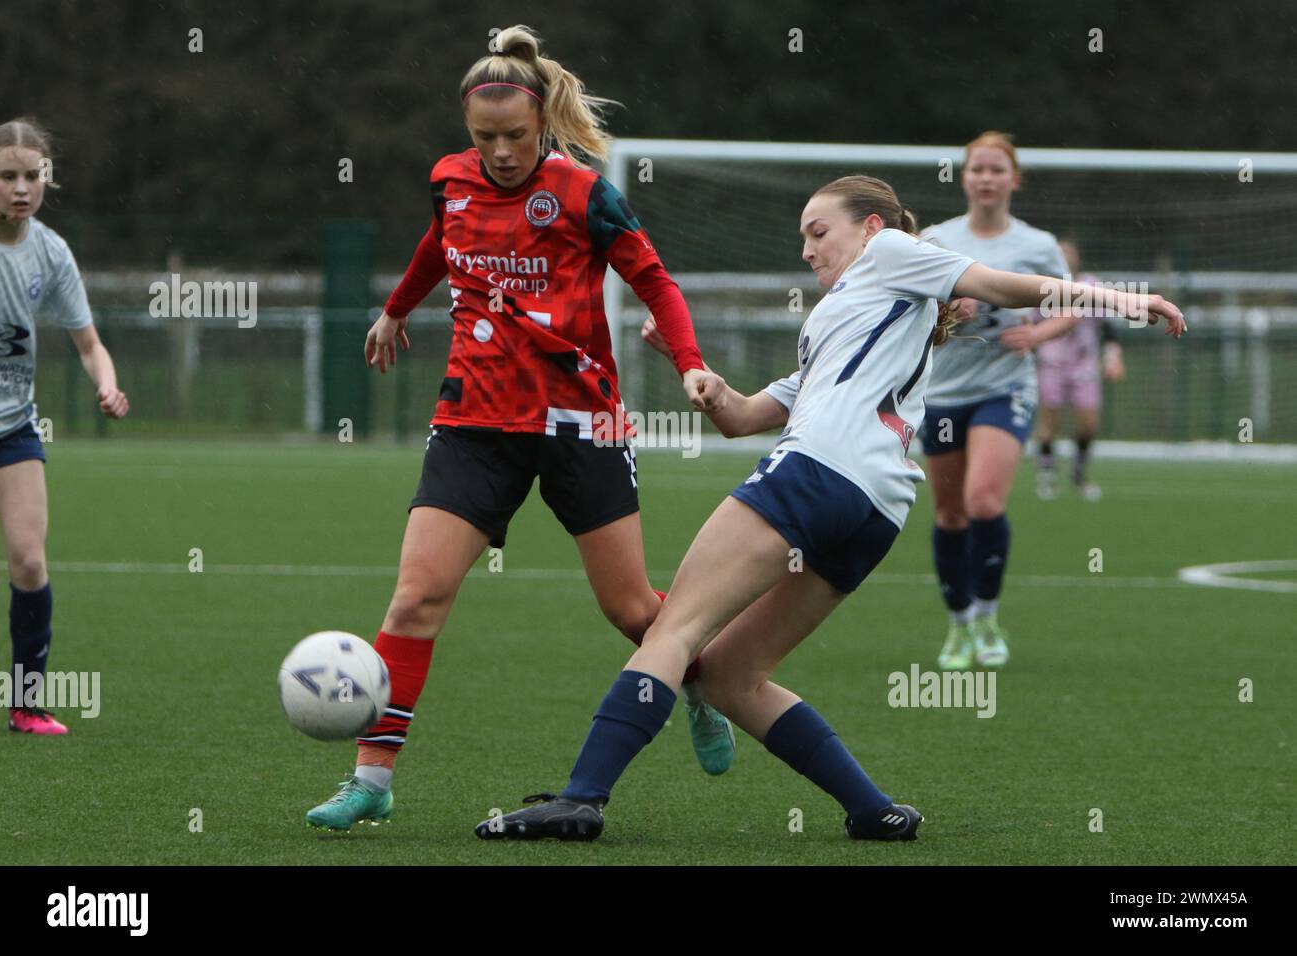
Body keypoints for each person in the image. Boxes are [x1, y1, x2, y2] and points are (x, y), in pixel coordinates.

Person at [475, 175, 1185, 842]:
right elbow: (744, 416)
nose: (808, 249)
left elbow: (998, 283)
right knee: (729, 675)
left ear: (870, 227)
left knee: (674, 628)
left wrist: (1115, 300)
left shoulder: (889, 254)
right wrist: (695, 374)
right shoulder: (845, 319)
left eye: (819, 232)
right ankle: (872, 811)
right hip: (874, 508)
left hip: (815, 474)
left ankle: (583, 798)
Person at [305, 25, 733, 831]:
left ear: (541, 123)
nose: (500, 152)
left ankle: (697, 683)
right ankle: (371, 779)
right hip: (473, 420)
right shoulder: (449, 180)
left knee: (634, 611)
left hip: (581, 422)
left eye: (514, 136)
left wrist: (690, 364)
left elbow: (656, 281)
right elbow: (443, 241)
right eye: (483, 138)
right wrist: (396, 309)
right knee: (416, 598)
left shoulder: (584, 192)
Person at [921, 131, 1080, 672]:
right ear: (963, 178)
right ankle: (959, 623)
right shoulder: (935, 240)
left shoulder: (1037, 245)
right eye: (977, 169)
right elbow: (909, 312)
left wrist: (1037, 335)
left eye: (996, 169)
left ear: (1014, 179)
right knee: (950, 511)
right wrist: (945, 313)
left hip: (1004, 386)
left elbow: (1069, 306)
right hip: (942, 393)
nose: (986, 178)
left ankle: (988, 617)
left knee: (984, 501)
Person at [0, 117, 129, 735]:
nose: (21, 188)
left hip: (13, 429)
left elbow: (87, 343)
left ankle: (26, 702)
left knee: (28, 561)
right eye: (6, 176)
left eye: (32, 175)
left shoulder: (48, 251)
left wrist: (105, 382)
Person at [1034, 237, 1125, 501]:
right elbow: (1032, 326)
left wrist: (1113, 358)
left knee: (1087, 425)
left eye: (1069, 253)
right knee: (1050, 421)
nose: (1064, 258)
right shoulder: (1042, 288)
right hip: (1052, 363)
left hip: (1084, 364)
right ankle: (1047, 476)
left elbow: (1108, 327)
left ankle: (1078, 474)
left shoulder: (1090, 286)